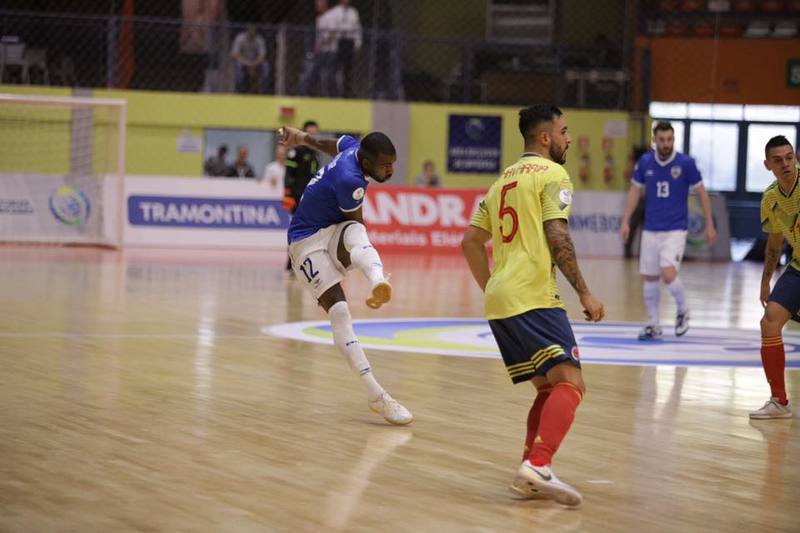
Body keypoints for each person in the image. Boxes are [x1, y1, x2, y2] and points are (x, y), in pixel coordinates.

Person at [461, 105, 605, 506]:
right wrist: (585, 293)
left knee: (546, 386)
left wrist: (493, 287)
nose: (569, 138)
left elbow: (470, 242)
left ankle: (529, 470)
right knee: (571, 383)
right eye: (564, 131)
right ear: (545, 138)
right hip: (534, 295)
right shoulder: (553, 174)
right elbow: (558, 236)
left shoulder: (500, 181)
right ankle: (539, 465)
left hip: (501, 299)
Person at [278, 125, 413, 426]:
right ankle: (377, 396)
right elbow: (357, 224)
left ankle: (378, 281)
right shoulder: (351, 181)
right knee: (339, 311)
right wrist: (359, 256)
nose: (391, 170)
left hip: (328, 230)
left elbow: (329, 143)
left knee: (354, 233)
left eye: (393, 163)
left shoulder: (353, 147)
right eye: (386, 166)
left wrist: (301, 138)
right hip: (305, 242)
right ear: (367, 164)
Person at [620, 121, 717, 341]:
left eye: (670, 139)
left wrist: (709, 224)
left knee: (667, 271)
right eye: (662, 140)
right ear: (655, 140)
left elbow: (702, 193)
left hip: (675, 228)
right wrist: (626, 221)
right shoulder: (645, 162)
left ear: (674, 139)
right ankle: (653, 325)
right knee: (650, 277)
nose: (666, 144)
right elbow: (635, 192)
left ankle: (683, 309)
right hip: (651, 229)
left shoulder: (686, 163)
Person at [750, 135, 800, 420]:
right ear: (768, 165)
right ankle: (779, 401)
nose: (786, 164)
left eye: (789, 157)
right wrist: (765, 280)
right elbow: (774, 243)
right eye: (778, 160)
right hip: (798, 267)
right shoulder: (770, 198)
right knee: (770, 321)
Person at [283, 120, 322, 271]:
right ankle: (290, 263)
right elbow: (288, 174)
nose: (313, 135)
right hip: (297, 197)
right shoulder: (296, 151)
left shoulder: (316, 154)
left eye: (315, 133)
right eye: (309, 132)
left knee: (310, 232)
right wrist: (288, 195)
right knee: (296, 230)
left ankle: (303, 263)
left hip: (311, 199)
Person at [322, 0, 362, 97]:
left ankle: (346, 92)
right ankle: (334, 92)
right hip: (339, 41)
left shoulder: (354, 12)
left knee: (348, 70)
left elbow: (357, 28)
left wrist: (358, 43)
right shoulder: (334, 12)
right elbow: (332, 29)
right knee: (334, 69)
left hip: (349, 41)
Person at [623, 145, 649, 258]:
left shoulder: (651, 165)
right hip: (637, 201)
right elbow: (626, 176)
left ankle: (644, 253)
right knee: (632, 227)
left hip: (649, 201)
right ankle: (627, 251)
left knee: (647, 230)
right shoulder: (636, 167)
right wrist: (631, 162)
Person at [231, 25, 269, 94]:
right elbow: (234, 54)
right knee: (238, 66)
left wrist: (253, 64)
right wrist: (248, 64)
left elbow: (262, 56)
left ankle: (263, 90)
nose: (251, 35)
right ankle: (240, 90)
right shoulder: (240, 38)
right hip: (243, 61)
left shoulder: (259, 39)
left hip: (255, 61)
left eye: (253, 34)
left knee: (265, 66)